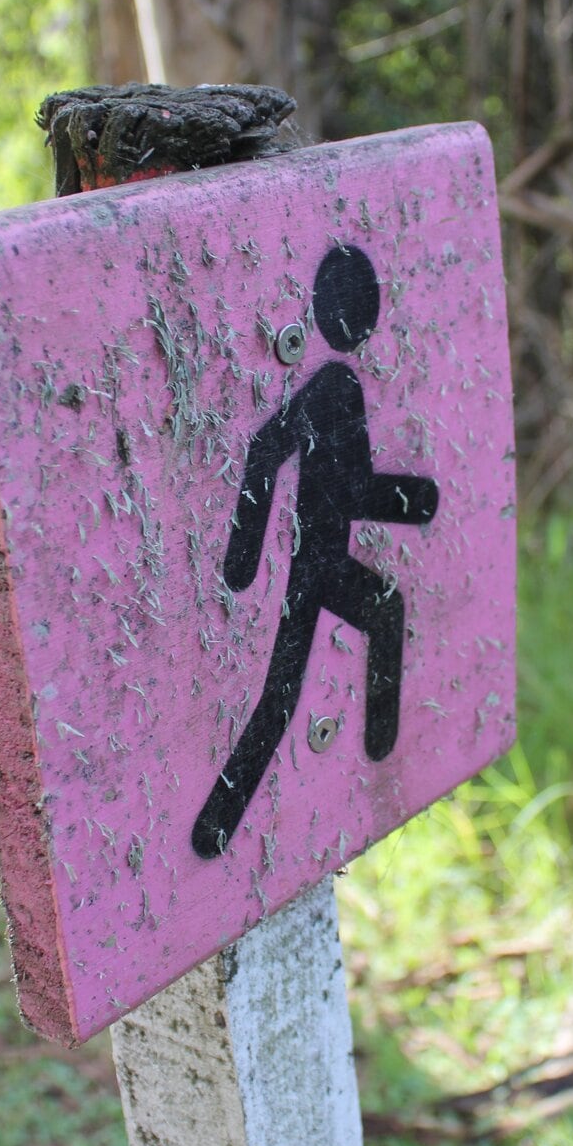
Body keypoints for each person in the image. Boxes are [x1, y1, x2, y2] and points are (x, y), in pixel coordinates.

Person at [192, 245, 439, 859]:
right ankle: (217, 823)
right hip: (314, 565)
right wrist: (241, 560)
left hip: (321, 560)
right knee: (282, 694)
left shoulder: (337, 385)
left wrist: (244, 560)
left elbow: (273, 453)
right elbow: (271, 451)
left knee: (378, 619)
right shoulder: (335, 388)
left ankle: (381, 754)